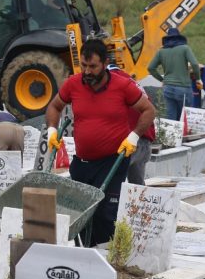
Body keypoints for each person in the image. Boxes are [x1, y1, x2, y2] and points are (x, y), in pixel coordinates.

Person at [46, 39, 156, 245]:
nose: (87, 71)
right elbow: (54, 106)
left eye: (93, 66)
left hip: (112, 161)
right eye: (84, 66)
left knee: (106, 212)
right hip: (83, 162)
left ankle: (105, 254)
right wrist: (52, 130)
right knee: (82, 212)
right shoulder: (73, 84)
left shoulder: (122, 85)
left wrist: (133, 137)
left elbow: (149, 110)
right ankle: (85, 251)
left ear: (105, 63)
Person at [108, 64, 156, 185]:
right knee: (137, 188)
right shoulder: (131, 81)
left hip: (130, 142)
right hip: (144, 141)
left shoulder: (112, 81)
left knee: (113, 182)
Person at [147, 28, 198, 122]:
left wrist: (162, 80)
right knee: (185, 116)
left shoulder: (161, 51)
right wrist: (198, 79)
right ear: (179, 38)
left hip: (167, 88)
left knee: (171, 116)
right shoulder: (185, 48)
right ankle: (183, 136)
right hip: (183, 87)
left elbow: (150, 68)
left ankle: (172, 136)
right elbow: (194, 64)